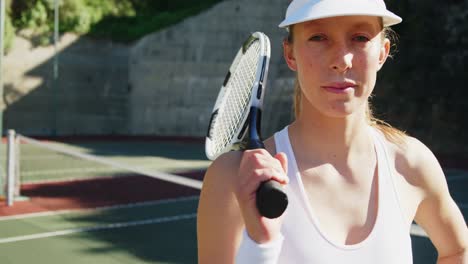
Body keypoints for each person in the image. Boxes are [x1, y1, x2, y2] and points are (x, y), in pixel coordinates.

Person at [197, 0, 468, 263]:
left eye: (360, 38)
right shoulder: (232, 176)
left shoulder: (411, 163)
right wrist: (261, 247)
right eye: (318, 37)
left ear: (383, 52)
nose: (342, 60)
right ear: (290, 54)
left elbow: (458, 251)